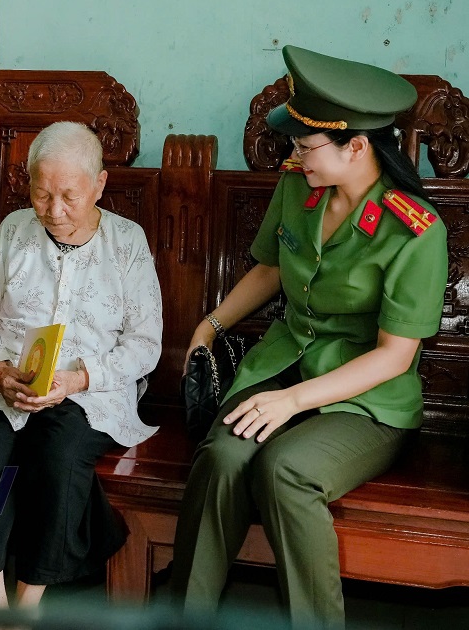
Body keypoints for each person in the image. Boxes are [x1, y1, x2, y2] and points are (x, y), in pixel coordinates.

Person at [170, 46, 449, 628]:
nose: (294, 156)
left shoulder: (415, 231)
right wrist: (208, 326)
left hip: (367, 400)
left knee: (285, 470)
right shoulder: (299, 188)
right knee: (222, 457)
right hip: (284, 365)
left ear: (357, 147)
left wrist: (293, 401)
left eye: (305, 146)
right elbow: (271, 269)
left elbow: (394, 357)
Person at [0, 121, 164, 607]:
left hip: (88, 391)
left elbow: (144, 343)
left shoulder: (126, 242)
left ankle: (29, 600)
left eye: (69, 196)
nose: (53, 210)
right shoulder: (14, 229)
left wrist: (77, 379)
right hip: (5, 382)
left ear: (100, 184)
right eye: (42, 194)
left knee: (60, 456)